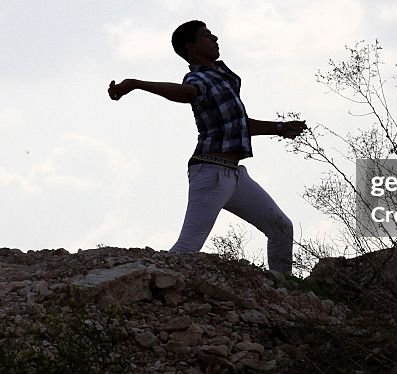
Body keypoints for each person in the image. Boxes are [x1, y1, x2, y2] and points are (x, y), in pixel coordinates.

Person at [108, 20, 306, 275]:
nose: (214, 38)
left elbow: (237, 124)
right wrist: (136, 83)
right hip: (210, 173)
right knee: (188, 247)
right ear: (191, 47)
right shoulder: (197, 78)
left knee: (281, 228)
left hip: (235, 175)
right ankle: (145, 285)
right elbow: (186, 93)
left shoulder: (223, 78)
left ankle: (284, 288)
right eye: (205, 35)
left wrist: (278, 128)